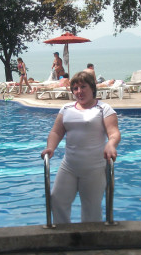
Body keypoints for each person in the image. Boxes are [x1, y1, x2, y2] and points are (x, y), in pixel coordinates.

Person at [40, 71, 121, 224]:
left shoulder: (104, 109)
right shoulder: (66, 108)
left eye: (83, 87)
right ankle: (63, 234)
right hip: (69, 166)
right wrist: (51, 147)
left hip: (94, 168)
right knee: (57, 200)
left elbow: (114, 133)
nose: (79, 91)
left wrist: (111, 144)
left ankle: (90, 237)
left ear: (92, 88)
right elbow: (56, 132)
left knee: (91, 208)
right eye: (75, 88)